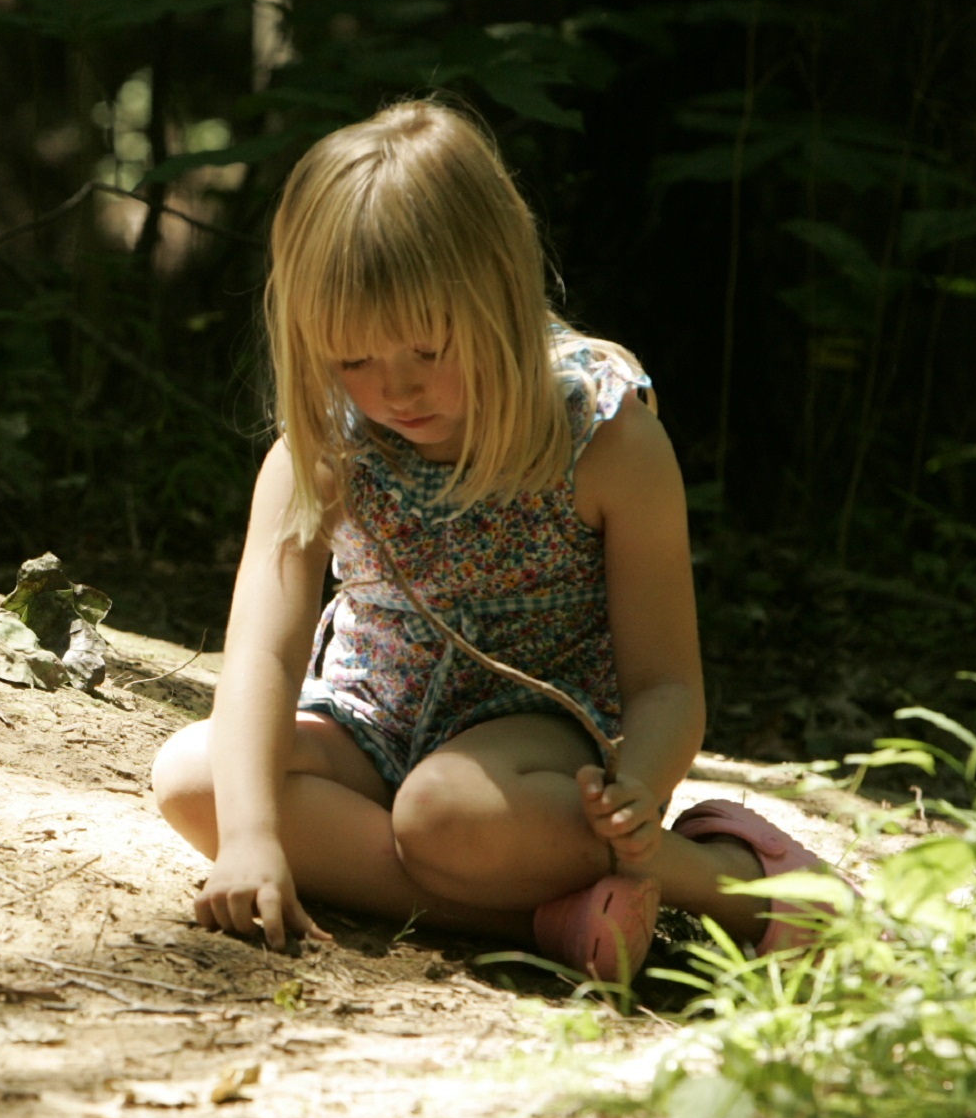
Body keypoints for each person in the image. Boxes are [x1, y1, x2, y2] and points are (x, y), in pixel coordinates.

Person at [150, 98, 837, 983]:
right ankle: (548, 912)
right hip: (370, 723)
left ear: (501, 298)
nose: (392, 390)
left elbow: (666, 680)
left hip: (532, 749)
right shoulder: (324, 444)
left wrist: (643, 791)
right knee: (195, 778)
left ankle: (718, 876)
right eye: (351, 360)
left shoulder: (602, 436)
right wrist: (248, 839)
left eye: (428, 350)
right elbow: (263, 659)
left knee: (443, 814)